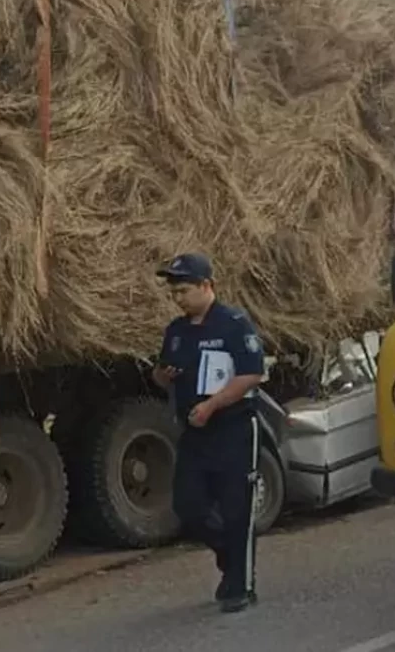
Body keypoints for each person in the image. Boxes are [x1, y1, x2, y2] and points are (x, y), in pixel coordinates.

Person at [152, 252, 266, 613]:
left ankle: (241, 586)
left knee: (237, 510)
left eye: (184, 290)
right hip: (195, 431)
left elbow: (251, 374)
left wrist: (213, 405)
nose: (179, 298)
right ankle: (228, 556)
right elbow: (160, 372)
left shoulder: (233, 324)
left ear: (207, 286)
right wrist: (163, 377)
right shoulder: (177, 331)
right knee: (189, 505)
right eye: (174, 293)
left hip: (232, 427)